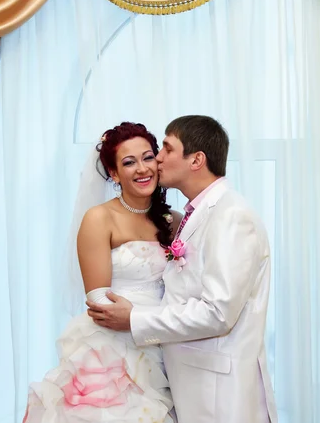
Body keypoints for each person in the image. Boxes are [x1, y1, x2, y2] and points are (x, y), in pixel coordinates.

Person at [87, 115, 278, 423]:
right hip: (174, 376)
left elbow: (218, 312)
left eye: (165, 149)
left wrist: (135, 317)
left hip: (218, 393)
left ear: (196, 160)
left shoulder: (230, 216)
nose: (157, 159)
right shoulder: (195, 214)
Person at [23, 122, 181, 423]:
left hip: (167, 342)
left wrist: (161, 327)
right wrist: (142, 324)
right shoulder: (99, 218)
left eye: (148, 157)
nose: (142, 169)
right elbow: (98, 298)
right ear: (113, 173)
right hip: (113, 348)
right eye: (128, 162)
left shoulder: (173, 220)